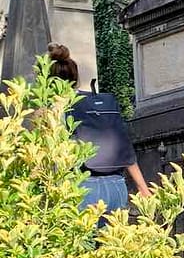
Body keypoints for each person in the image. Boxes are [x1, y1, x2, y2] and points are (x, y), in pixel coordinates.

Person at [47, 43, 150, 214]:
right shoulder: (98, 104)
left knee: (82, 240)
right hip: (117, 186)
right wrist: (143, 188)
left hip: (84, 187)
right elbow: (124, 147)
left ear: (48, 80)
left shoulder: (55, 110)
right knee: (113, 240)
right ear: (75, 77)